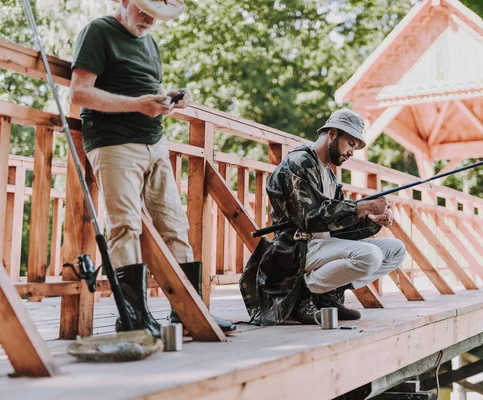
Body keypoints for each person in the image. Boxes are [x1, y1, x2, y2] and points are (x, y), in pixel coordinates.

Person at [70, 0, 235, 336]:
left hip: (155, 144)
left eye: (156, 15)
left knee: (175, 226)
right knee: (125, 226)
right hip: (113, 143)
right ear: (125, 2)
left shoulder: (150, 43)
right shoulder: (99, 32)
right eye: (143, 10)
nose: (149, 20)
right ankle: (134, 318)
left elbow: (144, 90)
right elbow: (80, 93)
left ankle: (190, 313)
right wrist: (139, 105)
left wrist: (167, 99)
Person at [240, 109, 406, 325]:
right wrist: (362, 207)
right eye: (351, 144)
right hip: (296, 250)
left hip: (321, 246)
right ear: (333, 134)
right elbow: (309, 219)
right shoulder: (299, 162)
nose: (352, 152)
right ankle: (301, 293)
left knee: (396, 250)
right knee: (371, 255)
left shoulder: (328, 173)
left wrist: (370, 220)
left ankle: (326, 295)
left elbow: (338, 227)